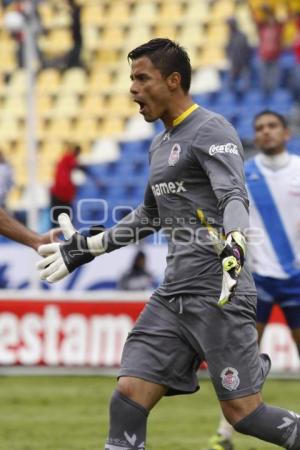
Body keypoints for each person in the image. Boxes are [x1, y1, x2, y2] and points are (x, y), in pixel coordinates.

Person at [36, 39, 300, 450]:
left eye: (142, 78)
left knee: (246, 416)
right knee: (127, 397)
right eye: (131, 80)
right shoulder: (159, 145)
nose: (133, 89)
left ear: (173, 81)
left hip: (220, 293)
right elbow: (149, 215)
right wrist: (89, 248)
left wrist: (234, 243)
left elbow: (233, 195)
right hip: (173, 295)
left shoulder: (212, 129)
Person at [207, 110, 300, 450]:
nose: (265, 132)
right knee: (242, 360)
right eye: (259, 127)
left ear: (286, 133)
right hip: (255, 280)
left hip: (296, 278)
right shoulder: (245, 176)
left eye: (272, 126)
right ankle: (224, 435)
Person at [250, 3, 285, 97]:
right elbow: (255, 19)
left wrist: (270, 12)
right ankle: (264, 95)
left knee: (274, 79)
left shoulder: (278, 28)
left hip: (275, 57)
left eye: (272, 18)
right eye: (268, 18)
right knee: (263, 79)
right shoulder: (262, 27)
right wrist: (261, 10)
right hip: (264, 56)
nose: (271, 20)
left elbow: (283, 18)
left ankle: (274, 96)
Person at [50, 142, 82, 227]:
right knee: (64, 220)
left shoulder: (64, 160)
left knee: (58, 221)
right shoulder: (68, 158)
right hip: (61, 194)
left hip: (59, 193)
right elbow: (80, 167)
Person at [226, 17, 252, 96]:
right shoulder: (230, 36)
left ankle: (246, 97)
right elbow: (229, 49)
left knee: (246, 84)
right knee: (230, 84)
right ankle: (233, 95)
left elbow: (247, 50)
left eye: (231, 25)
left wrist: (243, 60)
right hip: (235, 63)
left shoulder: (242, 36)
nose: (230, 26)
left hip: (243, 63)